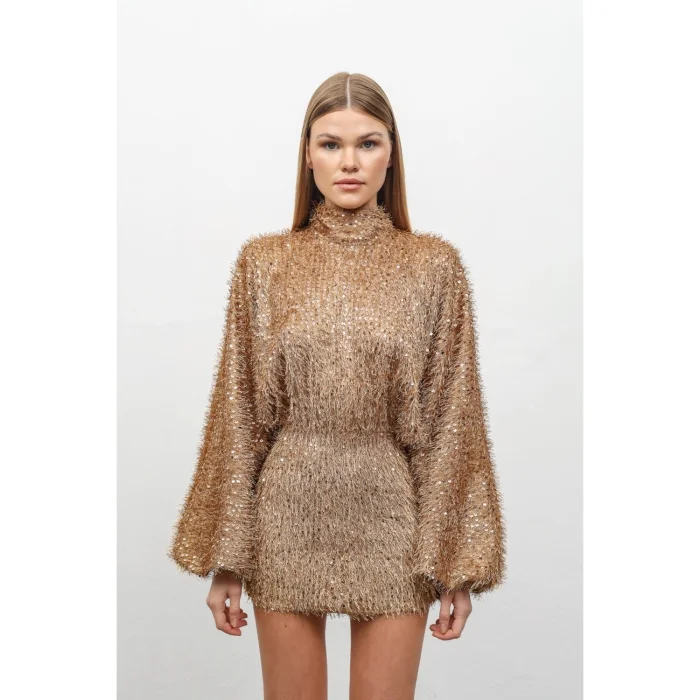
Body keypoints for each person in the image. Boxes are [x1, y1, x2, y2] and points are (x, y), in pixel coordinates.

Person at [168, 71, 506, 700]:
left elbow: (451, 420)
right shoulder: (264, 263)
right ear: (308, 155)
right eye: (330, 144)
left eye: (367, 143)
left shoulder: (433, 266)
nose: (349, 162)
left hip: (393, 520)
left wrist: (458, 563)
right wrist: (227, 557)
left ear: (391, 153)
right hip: (284, 518)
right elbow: (239, 413)